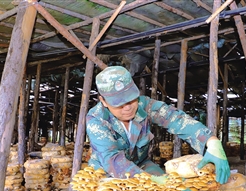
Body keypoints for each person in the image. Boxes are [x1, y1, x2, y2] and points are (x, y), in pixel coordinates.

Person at [86, 66, 230, 184]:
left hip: (140, 164)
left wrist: (211, 141)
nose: (128, 108)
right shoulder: (96, 120)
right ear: (103, 101)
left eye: (131, 100)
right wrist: (151, 181)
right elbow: (112, 159)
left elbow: (174, 118)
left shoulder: (144, 105)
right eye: (119, 104)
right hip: (107, 173)